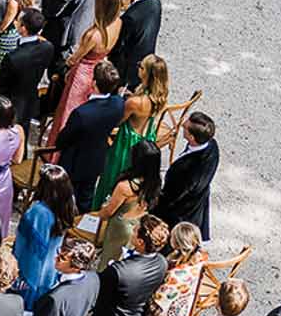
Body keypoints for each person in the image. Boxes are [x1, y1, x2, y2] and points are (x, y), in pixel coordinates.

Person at [90, 54, 167, 210]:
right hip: (146, 137)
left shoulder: (135, 103)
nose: (138, 67)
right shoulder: (160, 96)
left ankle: (100, 211)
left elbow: (118, 120)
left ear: (147, 74)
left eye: (141, 66)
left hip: (126, 143)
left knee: (111, 178)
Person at [49, 0, 123, 142]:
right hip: (98, 67)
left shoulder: (93, 35)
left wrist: (68, 61)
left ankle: (58, 148)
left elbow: (75, 58)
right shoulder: (118, 23)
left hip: (82, 73)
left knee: (68, 110)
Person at [12, 162, 76, 307]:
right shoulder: (66, 204)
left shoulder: (38, 212)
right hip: (50, 270)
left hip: (30, 270)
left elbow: (33, 250)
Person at [92, 137, 159, 270]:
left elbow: (108, 212)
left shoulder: (126, 186)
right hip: (137, 223)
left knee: (108, 261)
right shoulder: (155, 181)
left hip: (119, 228)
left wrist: (93, 216)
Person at [153, 109, 220, 239]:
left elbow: (173, 197)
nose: (182, 124)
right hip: (196, 199)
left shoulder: (187, 170)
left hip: (180, 210)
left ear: (192, 137)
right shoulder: (212, 145)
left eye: (186, 127)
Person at [0, 6, 54, 130]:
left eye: (18, 21)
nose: (15, 22)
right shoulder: (48, 47)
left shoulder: (13, 58)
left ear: (23, 28)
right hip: (31, 100)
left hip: (13, 103)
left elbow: (1, 86)